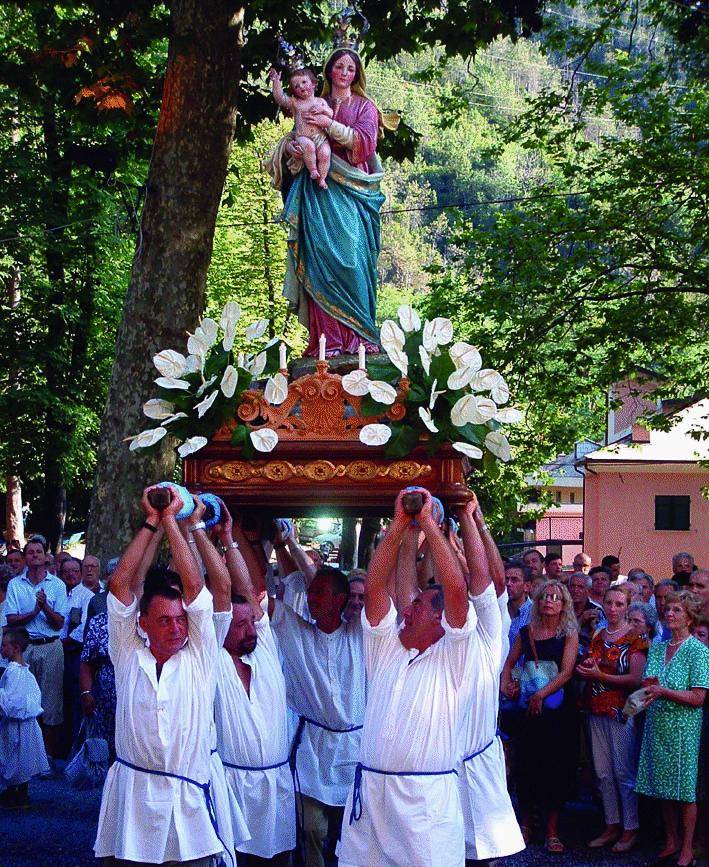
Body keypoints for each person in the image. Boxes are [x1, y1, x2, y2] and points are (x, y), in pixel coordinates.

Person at [338, 488, 477, 867]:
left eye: (418, 603)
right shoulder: (385, 647)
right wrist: (398, 525)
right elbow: (374, 589)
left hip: (425, 805)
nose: (408, 606)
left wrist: (429, 524)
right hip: (371, 796)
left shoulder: (454, 656)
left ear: (441, 619)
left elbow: (457, 590)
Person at [94, 486, 231, 866]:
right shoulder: (126, 653)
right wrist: (152, 522)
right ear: (143, 624)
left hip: (186, 809)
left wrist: (174, 520)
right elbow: (121, 586)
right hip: (132, 807)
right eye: (165, 621)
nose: (176, 629)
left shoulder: (200, 656)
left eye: (180, 620)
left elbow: (199, 588)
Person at [270, 45, 385, 357]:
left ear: (356, 74)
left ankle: (360, 335)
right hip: (318, 193)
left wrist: (330, 125)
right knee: (320, 259)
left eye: (351, 69)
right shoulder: (309, 100)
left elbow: (365, 143)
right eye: (339, 67)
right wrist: (292, 148)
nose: (345, 73)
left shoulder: (364, 106)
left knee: (352, 258)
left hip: (351, 191)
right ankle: (327, 342)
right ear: (329, 71)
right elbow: (295, 134)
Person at [266, 546, 365, 867]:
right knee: (311, 830)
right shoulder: (298, 633)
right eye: (310, 592)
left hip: (355, 749)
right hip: (313, 751)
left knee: (350, 832)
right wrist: (241, 537)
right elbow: (258, 598)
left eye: (320, 592)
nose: (311, 598)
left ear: (340, 599)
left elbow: (388, 589)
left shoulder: (363, 635)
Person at [210, 501, 296, 866]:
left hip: (275, 788)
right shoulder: (212, 659)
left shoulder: (265, 653)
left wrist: (230, 540)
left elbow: (250, 587)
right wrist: (201, 536)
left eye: (252, 623)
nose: (250, 631)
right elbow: (221, 589)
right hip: (231, 787)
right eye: (239, 625)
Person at [455, 499, 525, 864]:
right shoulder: (447, 626)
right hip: (441, 756)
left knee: (484, 850)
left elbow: (494, 581)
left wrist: (475, 522)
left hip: (477, 748)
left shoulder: (491, 629)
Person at [500, 580, 579, 854]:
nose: (549, 601)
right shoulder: (526, 632)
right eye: (545, 596)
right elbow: (509, 665)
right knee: (527, 765)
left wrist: (541, 694)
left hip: (557, 712)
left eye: (556, 597)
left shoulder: (568, 633)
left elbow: (567, 672)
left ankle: (552, 830)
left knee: (556, 768)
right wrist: (507, 686)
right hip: (530, 711)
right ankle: (526, 823)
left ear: (563, 604)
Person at [636, 590, 709, 867]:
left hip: (684, 728)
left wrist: (663, 691)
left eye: (677, 610)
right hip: (657, 724)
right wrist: (649, 688)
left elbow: (698, 698)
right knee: (662, 785)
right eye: (667, 609)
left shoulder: (698, 651)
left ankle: (688, 848)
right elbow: (648, 681)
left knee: (685, 789)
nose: (669, 614)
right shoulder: (657, 647)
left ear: (689, 617)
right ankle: (671, 840)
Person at [576, 585, 648, 853]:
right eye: (609, 603)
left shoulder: (635, 638)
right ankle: (611, 824)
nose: (613, 608)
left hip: (621, 711)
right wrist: (586, 670)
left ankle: (630, 828)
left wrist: (600, 676)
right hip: (596, 708)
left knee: (623, 772)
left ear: (627, 606)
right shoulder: (598, 633)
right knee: (603, 773)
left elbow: (635, 679)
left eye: (619, 604)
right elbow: (590, 663)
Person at [4, 538, 66, 762]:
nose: (35, 555)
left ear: (46, 556)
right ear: (25, 557)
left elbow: (59, 623)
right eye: (30, 552)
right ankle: (25, 756)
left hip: (50, 647)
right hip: (25, 648)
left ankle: (47, 756)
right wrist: (34, 611)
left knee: (50, 704)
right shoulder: (15, 585)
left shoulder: (56, 585)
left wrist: (45, 606)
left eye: (39, 551)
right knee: (24, 701)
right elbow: (11, 619)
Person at [0, 626, 50, 806]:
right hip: (27, 722)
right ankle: (17, 791)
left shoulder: (13, 672)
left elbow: (11, 703)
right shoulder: (24, 672)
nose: (1, 649)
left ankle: (17, 793)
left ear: (16, 648)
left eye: (5, 646)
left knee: (14, 755)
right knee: (23, 756)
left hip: (16, 722)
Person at [270, 67, 333, 189]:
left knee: (325, 153)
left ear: (314, 83)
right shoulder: (295, 103)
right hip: (303, 137)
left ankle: (322, 179)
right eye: (297, 86)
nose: (301, 87)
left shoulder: (320, 101)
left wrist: (323, 110)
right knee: (308, 147)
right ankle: (313, 170)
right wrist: (276, 82)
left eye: (304, 82)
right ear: (294, 91)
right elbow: (280, 98)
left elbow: (330, 114)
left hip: (320, 137)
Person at [568, 572, 604, 654]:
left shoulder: (596, 610)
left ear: (588, 591)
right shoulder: (561, 608)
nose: (575, 590)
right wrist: (580, 621)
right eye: (572, 586)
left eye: (580, 587)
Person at [505, 560, 532, 648]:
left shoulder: (536, 613)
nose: (508, 584)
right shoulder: (496, 611)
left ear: (527, 586)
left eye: (514, 580)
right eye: (506, 579)